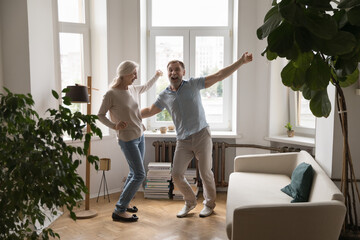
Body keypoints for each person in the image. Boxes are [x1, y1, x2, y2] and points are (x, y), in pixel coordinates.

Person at [141, 52, 253, 218]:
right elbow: (150, 110)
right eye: (170, 70)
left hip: (201, 135)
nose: (173, 73)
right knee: (177, 174)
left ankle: (209, 204)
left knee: (205, 171)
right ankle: (190, 201)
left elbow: (219, 75)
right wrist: (129, 115)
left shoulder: (193, 84)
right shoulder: (164, 95)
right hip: (183, 141)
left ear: (183, 72)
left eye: (177, 70)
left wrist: (241, 62)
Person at [98, 60, 162, 222]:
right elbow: (100, 115)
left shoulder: (133, 89)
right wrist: (114, 126)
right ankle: (119, 210)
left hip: (140, 136)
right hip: (127, 139)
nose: (136, 76)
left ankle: (124, 204)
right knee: (140, 174)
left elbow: (146, 86)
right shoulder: (111, 94)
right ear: (125, 74)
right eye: (134, 73)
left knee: (134, 173)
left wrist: (156, 76)